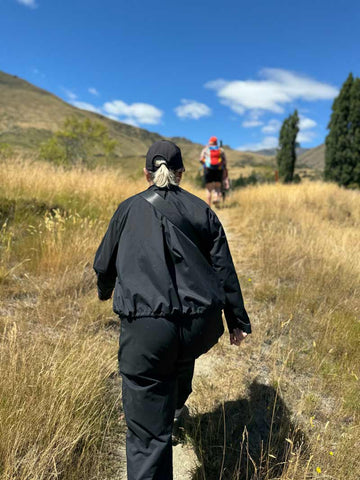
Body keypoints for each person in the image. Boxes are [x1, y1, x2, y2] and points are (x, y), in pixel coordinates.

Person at [93, 139, 251, 480]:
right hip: (198, 326)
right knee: (180, 352)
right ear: (181, 173)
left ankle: (161, 419)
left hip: (146, 331)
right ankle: (176, 407)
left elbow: (103, 266)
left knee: (148, 437)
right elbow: (223, 269)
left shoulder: (127, 210)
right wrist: (236, 320)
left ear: (146, 173)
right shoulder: (202, 210)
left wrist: (105, 292)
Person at [200, 136, 228, 207]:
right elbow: (224, 162)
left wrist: (205, 164)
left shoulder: (206, 149)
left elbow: (201, 159)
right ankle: (216, 199)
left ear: (210, 142)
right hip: (218, 170)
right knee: (217, 187)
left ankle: (208, 206)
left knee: (209, 189)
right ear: (216, 142)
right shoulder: (221, 150)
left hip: (208, 170)